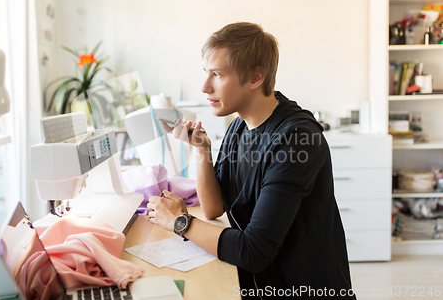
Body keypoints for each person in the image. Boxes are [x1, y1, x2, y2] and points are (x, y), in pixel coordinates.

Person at [146, 22, 356, 299]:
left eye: (217, 74)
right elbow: (214, 209)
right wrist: (201, 150)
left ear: (256, 77)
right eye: (206, 73)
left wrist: (180, 222)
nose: (205, 87)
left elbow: (255, 251)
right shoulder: (240, 127)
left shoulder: (296, 138)